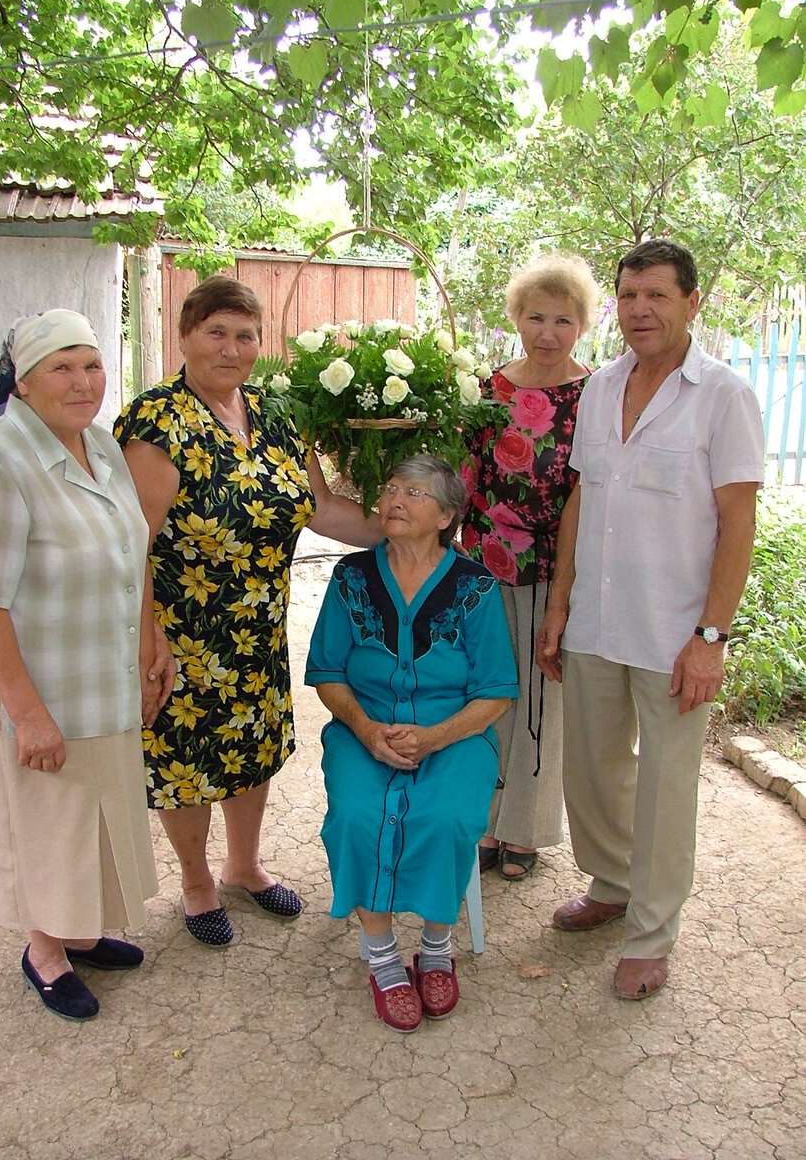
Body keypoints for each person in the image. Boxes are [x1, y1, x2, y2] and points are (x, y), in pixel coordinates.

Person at [114, 275, 383, 948]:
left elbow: (317, 507)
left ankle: (243, 865)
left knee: (251, 747)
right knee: (187, 759)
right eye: (217, 333)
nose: (232, 349)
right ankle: (197, 881)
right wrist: (148, 637)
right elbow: (131, 543)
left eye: (246, 335)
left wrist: (403, 528)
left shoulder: (275, 412)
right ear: (185, 336)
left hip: (258, 626)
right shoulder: (156, 422)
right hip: (182, 632)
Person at [536, 239, 764, 1000]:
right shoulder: (599, 388)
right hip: (598, 618)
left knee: (666, 787)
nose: (641, 310)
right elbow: (580, 499)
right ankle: (613, 883)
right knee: (594, 770)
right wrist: (560, 603)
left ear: (692, 303)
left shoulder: (722, 394)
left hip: (674, 633)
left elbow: (738, 523)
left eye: (658, 296)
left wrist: (710, 639)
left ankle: (651, 933)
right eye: (630, 295)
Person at [0, 309, 174, 1022]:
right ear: (22, 380)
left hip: (100, 680)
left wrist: (148, 642)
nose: (83, 382)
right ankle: (45, 951)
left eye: (92, 364)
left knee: (96, 817)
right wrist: (28, 715)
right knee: (50, 827)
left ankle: (80, 929)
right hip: (40, 694)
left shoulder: (101, 448)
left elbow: (131, 549)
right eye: (61, 367)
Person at [305, 456, 518, 1031]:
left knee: (446, 815)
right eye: (392, 488)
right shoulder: (351, 577)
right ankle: (381, 954)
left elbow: (496, 692)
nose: (396, 499)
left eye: (415, 493)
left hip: (455, 733)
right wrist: (367, 731)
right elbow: (327, 672)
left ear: (447, 515)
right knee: (355, 814)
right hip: (363, 729)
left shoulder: (474, 586)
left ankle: (435, 944)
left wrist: (434, 737)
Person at [462, 254, 599, 882]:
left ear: (583, 325)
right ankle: (487, 822)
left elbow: (587, 489)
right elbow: (467, 473)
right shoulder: (491, 388)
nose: (548, 332)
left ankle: (526, 830)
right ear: (516, 318)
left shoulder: (596, 392)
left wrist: (566, 580)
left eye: (563, 320)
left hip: (558, 563)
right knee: (489, 689)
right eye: (536, 317)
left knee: (544, 693)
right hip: (487, 559)